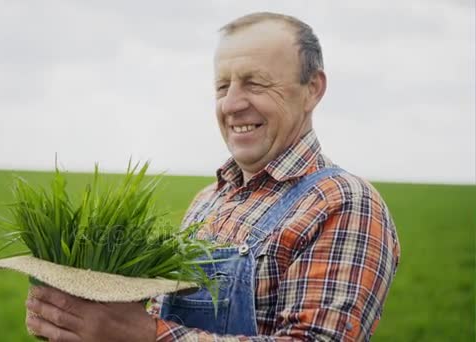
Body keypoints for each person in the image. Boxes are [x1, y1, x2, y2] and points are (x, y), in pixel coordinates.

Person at [24, 12, 400, 341]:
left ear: (312, 89)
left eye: (255, 83)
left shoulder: (343, 202)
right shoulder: (208, 201)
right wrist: (79, 322)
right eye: (223, 86)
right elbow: (159, 318)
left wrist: (142, 336)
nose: (232, 104)